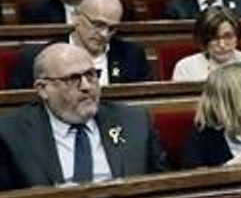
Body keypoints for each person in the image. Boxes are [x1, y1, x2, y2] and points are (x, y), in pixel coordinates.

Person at [0, 42, 167, 189]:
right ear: (43, 89)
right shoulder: (10, 133)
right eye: (73, 79)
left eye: (91, 75)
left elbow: (164, 186)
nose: (86, 86)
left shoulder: (135, 121)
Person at [10, 0, 151, 88]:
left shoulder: (132, 55)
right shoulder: (37, 57)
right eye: (97, 24)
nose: (104, 34)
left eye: (111, 28)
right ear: (76, 17)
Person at [171, 6, 241, 83]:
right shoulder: (185, 68)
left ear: (237, 36)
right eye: (214, 38)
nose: (222, 45)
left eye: (228, 37)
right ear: (203, 39)